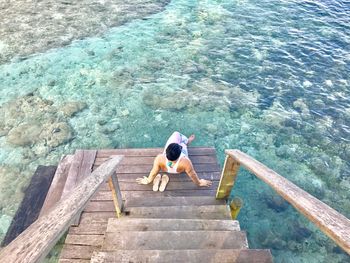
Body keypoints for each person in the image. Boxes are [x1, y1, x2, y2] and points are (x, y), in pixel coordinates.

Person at [136, 131, 212, 191]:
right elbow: (192, 175)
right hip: (178, 169)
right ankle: (186, 142)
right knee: (180, 139)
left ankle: (185, 142)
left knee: (175, 135)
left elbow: (154, 172)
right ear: (179, 154)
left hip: (167, 167)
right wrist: (199, 183)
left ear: (166, 150)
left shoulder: (159, 158)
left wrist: (148, 180)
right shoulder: (185, 162)